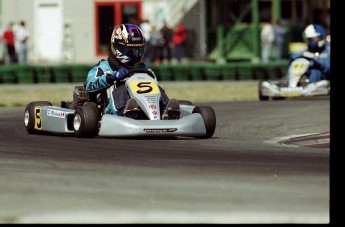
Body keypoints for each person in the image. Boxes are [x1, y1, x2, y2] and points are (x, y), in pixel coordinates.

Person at [78, 23, 179, 120]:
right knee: (122, 87)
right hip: (109, 110)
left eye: (137, 50)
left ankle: (166, 112)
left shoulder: (144, 68)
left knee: (157, 88)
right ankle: (126, 113)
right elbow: (89, 86)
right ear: (116, 47)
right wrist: (111, 77)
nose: (135, 54)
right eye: (129, 50)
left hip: (143, 106)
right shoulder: (103, 67)